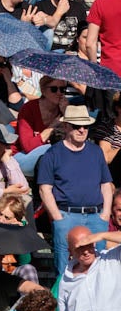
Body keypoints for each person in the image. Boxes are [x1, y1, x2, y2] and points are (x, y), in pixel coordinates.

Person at [38, 105, 114, 279]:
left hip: (96, 216)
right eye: (76, 125)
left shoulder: (96, 152)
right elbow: (44, 190)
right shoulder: (53, 154)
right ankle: (64, 305)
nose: (82, 130)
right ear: (66, 127)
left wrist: (106, 214)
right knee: (64, 269)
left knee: (99, 269)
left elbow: (106, 184)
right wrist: (58, 217)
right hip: (66, 215)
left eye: (85, 126)